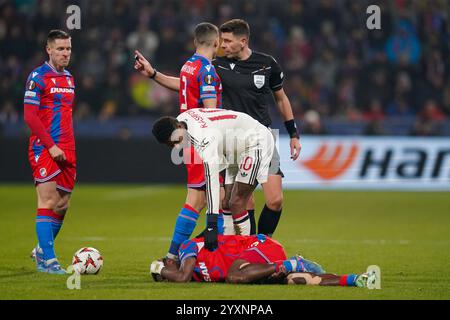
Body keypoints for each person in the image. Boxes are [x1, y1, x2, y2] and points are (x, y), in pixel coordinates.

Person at [134, 19, 301, 237]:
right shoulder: (216, 65)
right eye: (221, 40)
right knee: (242, 201)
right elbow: (187, 83)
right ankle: (251, 250)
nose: (223, 45)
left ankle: (263, 244)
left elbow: (281, 99)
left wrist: (293, 134)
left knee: (275, 200)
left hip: (263, 135)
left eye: (229, 41)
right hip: (230, 139)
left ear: (243, 41)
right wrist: (154, 74)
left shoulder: (267, 64)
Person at [135, 22, 224, 261]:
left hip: (187, 138)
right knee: (210, 199)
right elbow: (210, 113)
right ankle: (183, 256)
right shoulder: (207, 71)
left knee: (205, 198)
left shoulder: (189, 65)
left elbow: (182, 86)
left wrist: (153, 74)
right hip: (202, 141)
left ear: (195, 42)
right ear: (216, 43)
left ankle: (177, 255)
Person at [152, 108, 274, 251]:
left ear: (179, 127)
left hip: (256, 142)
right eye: (170, 145)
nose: (176, 146)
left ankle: (245, 253)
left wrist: (211, 224)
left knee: (237, 201)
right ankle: (229, 250)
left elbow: (212, 181)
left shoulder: (203, 139)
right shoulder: (182, 119)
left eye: (176, 140)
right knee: (226, 203)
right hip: (234, 148)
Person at [25, 30, 76, 274]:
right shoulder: (38, 76)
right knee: (47, 200)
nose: (65, 53)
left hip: (67, 148)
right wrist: (50, 145)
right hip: (45, 147)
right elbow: (30, 116)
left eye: (68, 49)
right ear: (49, 50)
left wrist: (64, 147)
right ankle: (49, 261)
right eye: (60, 49)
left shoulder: (69, 78)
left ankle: (41, 249)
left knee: (62, 204)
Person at [149, 234, 377, 288]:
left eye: (164, 270)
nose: (165, 276)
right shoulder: (196, 274)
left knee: (234, 276)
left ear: (168, 261)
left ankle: (292, 262)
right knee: (297, 281)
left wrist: (159, 268)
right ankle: (360, 280)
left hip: (259, 247)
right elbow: (182, 277)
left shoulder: (186, 248)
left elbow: (181, 277)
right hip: (253, 265)